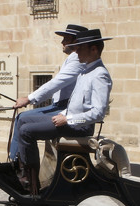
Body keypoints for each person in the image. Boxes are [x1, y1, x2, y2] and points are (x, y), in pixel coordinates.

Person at [16, 28, 112, 195]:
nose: (76, 51)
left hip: (80, 127)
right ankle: (21, 169)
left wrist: (68, 119)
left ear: (94, 49)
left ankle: (31, 186)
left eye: (80, 48)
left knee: (26, 131)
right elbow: (76, 102)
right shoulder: (86, 71)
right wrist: (65, 114)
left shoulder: (99, 75)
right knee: (23, 119)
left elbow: (98, 113)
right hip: (69, 119)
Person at [7, 23, 88, 166]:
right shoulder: (73, 58)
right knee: (21, 117)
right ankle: (16, 160)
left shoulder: (77, 59)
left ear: (76, 41)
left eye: (66, 39)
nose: (62, 42)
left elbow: (56, 83)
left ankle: (19, 163)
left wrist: (29, 99)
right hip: (59, 105)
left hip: (65, 108)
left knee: (23, 120)